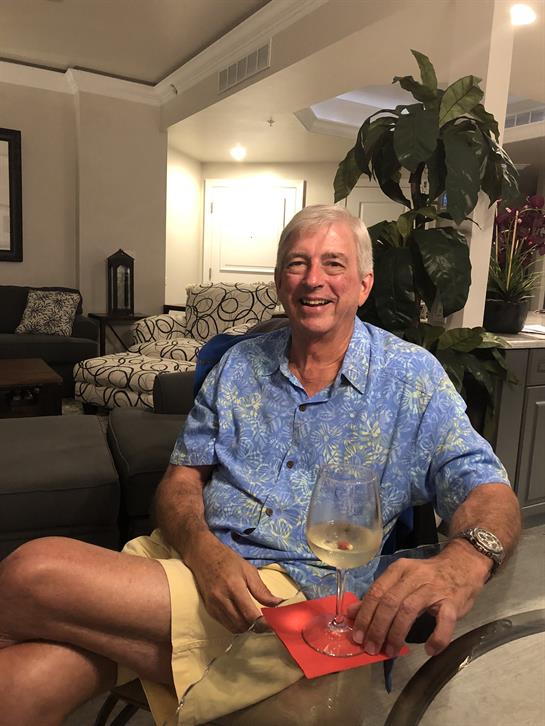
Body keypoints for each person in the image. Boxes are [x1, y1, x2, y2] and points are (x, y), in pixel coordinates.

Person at [0, 205, 520, 725]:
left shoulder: (411, 378)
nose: (313, 279)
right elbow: (181, 478)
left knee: (31, 572)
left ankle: (251, 655)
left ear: (364, 285)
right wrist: (202, 551)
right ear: (278, 281)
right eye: (297, 263)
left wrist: (465, 559)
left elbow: (487, 489)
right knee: (17, 685)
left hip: (296, 597)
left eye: (333, 263)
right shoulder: (237, 364)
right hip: (184, 561)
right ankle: (235, 666)